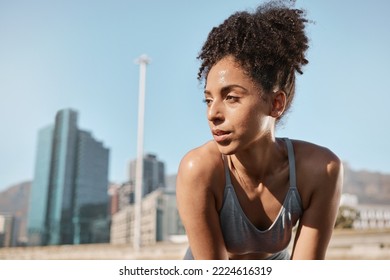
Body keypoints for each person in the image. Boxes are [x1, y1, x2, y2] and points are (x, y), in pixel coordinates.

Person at [176, 0, 343, 260]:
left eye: (231, 97)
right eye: (208, 99)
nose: (213, 114)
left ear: (276, 103)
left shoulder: (321, 170)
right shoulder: (199, 170)